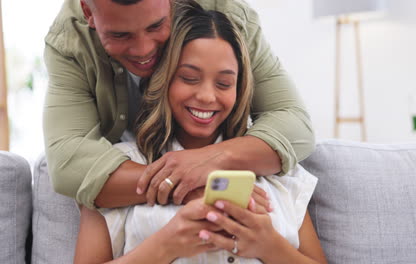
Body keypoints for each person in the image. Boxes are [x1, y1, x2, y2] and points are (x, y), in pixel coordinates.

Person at [74, 1, 326, 263]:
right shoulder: (119, 171)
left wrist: (270, 246)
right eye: (189, 78)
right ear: (164, 79)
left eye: (224, 83)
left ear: (239, 89)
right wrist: (166, 244)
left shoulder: (279, 172)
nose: (207, 96)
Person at [43, 0, 315, 210]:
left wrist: (209, 161)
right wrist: (189, 185)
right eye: (121, 35)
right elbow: (67, 162)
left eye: (155, 26)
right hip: (126, 174)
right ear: (88, 12)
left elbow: (294, 122)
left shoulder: (224, 11)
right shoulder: (69, 38)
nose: (143, 49)